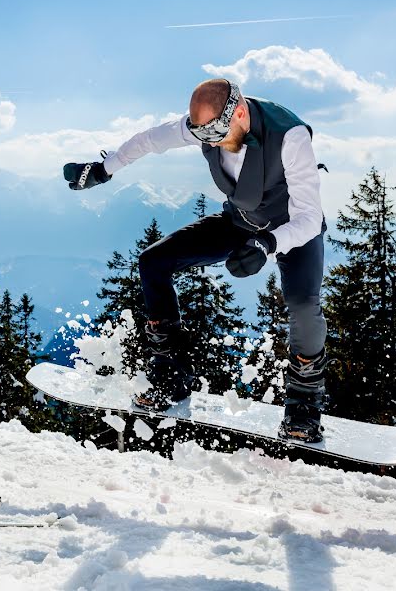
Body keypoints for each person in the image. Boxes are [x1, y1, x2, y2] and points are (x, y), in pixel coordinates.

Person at [63, 78, 329, 443]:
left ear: (238, 111)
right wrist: (103, 169)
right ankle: (172, 378)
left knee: (303, 305)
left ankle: (303, 407)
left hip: (291, 228)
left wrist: (267, 244)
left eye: (218, 133)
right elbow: (150, 140)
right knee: (154, 261)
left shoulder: (291, 136)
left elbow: (309, 218)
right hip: (240, 222)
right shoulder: (208, 127)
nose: (213, 142)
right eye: (204, 136)